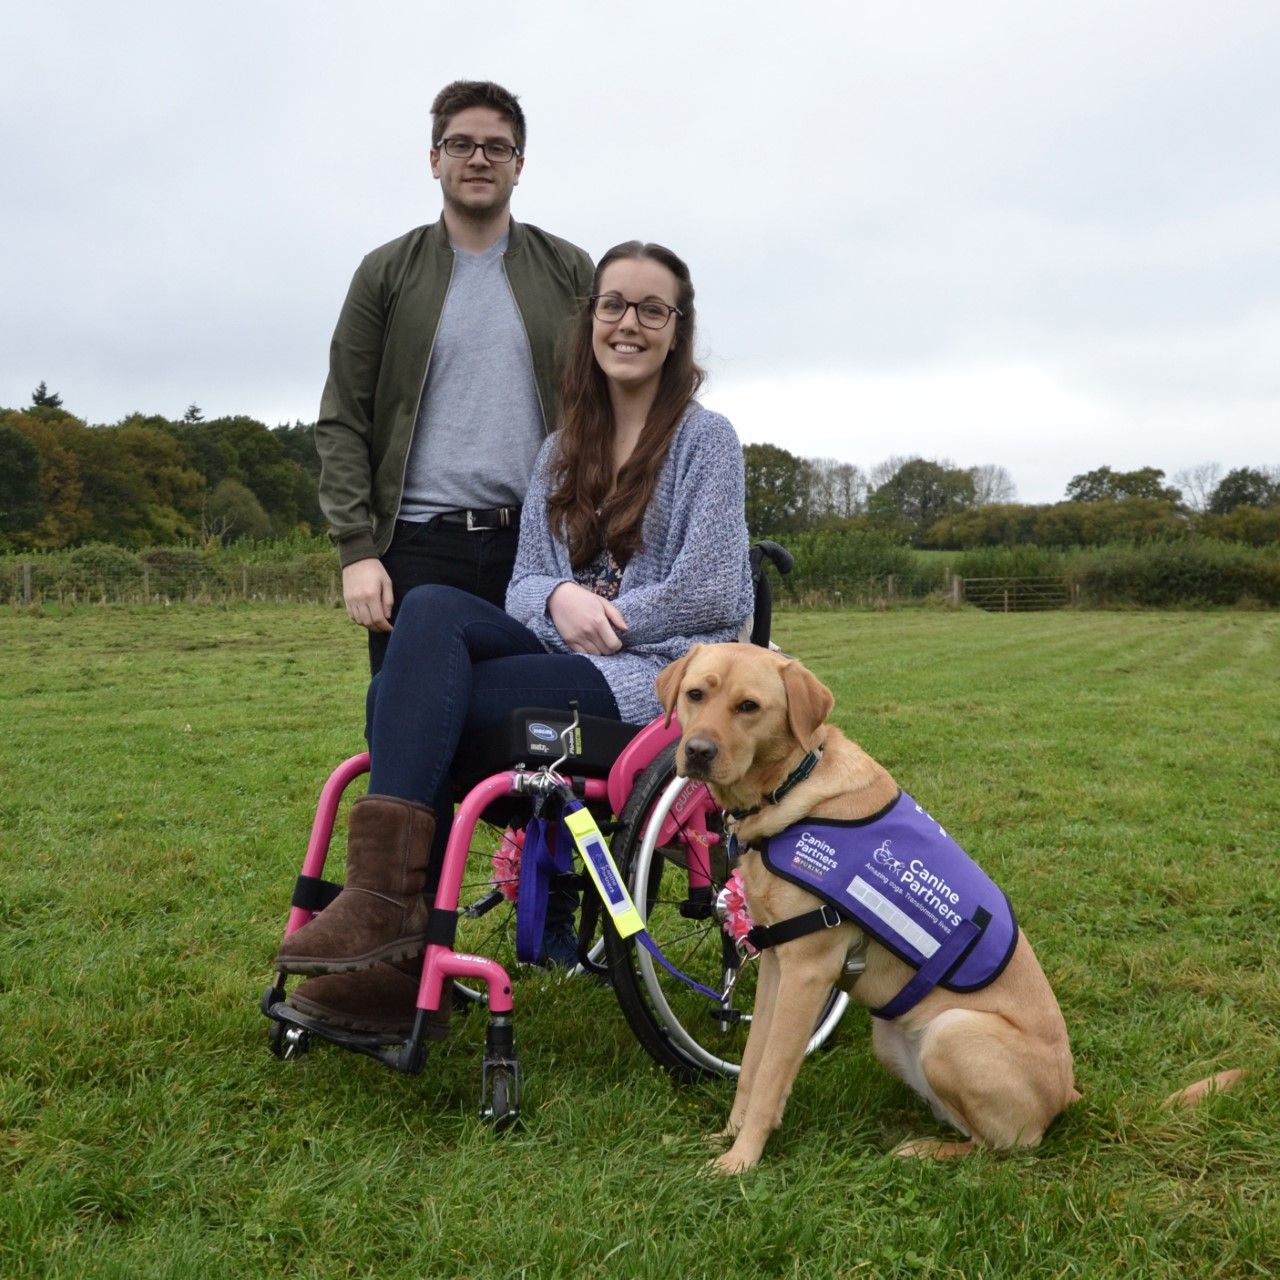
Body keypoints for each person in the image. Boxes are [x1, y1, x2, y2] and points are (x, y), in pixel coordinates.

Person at [278, 242, 754, 1031]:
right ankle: (386, 914)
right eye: (613, 305)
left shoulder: (708, 441)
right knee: (428, 609)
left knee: (418, 700)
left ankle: (393, 943)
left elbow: (716, 589)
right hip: (560, 656)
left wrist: (612, 618)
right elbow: (525, 583)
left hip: (653, 676)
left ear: (677, 332)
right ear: (591, 319)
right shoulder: (561, 449)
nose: (627, 324)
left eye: (651, 310)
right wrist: (562, 597)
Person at [315, 79, 594, 675]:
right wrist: (356, 552)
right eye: (460, 143)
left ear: (519, 166)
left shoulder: (571, 269)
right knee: (412, 733)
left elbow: (611, 403)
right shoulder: (384, 273)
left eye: (497, 147)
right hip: (415, 547)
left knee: (529, 733)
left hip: (540, 549)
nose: (478, 158)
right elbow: (343, 419)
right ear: (434, 158)